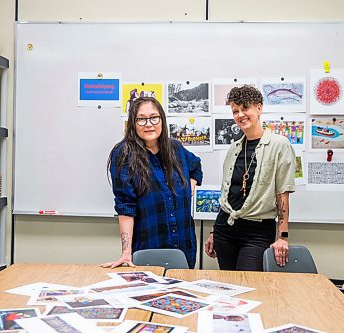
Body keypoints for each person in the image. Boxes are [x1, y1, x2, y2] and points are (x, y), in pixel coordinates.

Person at [103, 96, 203, 269]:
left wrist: (192, 184)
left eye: (154, 117)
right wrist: (126, 252)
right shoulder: (123, 154)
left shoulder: (175, 148)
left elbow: (196, 166)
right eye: (141, 119)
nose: (148, 123)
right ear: (133, 123)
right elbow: (125, 207)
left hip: (184, 245)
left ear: (162, 120)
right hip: (149, 246)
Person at [204, 85, 295, 271]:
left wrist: (282, 237)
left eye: (245, 108)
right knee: (229, 287)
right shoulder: (235, 147)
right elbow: (227, 195)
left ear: (259, 108)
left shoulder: (279, 145)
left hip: (257, 231)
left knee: (249, 285)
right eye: (235, 111)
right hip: (225, 229)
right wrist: (214, 230)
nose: (240, 115)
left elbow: (282, 194)